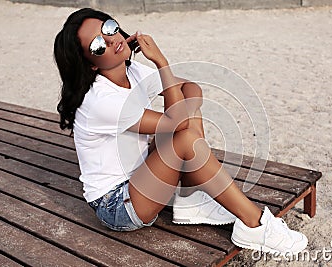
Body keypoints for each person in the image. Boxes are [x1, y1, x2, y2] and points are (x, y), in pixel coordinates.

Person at [53, 7, 308, 255]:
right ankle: (254, 224)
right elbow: (179, 124)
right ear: (90, 65)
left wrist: (182, 113)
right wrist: (161, 62)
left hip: (141, 175)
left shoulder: (131, 70)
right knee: (184, 135)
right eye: (98, 45)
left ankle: (188, 199)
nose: (111, 41)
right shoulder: (101, 101)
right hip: (118, 204)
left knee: (184, 115)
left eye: (109, 28)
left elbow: (191, 87)